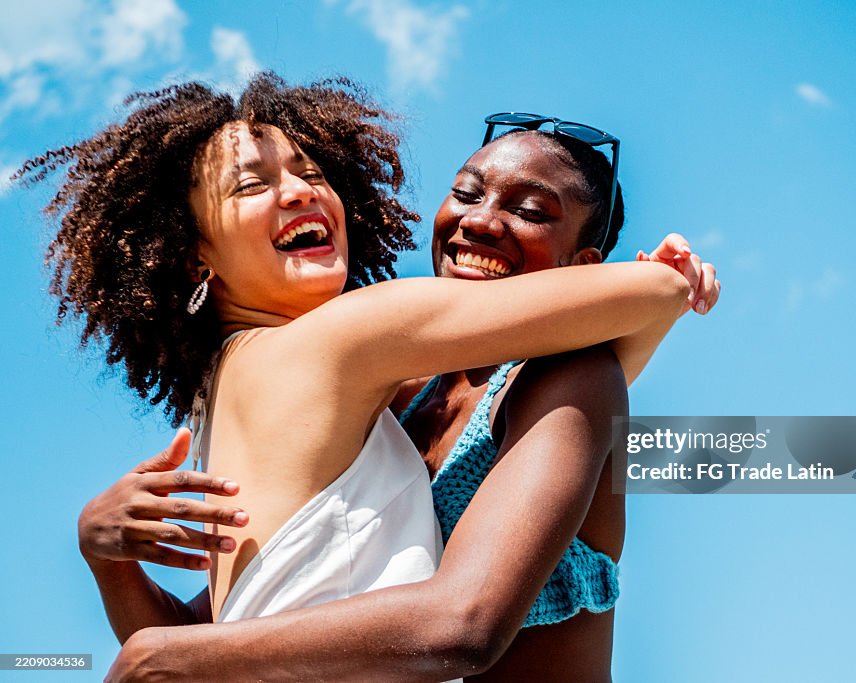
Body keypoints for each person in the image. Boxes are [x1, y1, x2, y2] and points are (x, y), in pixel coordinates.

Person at [76, 99, 718, 681]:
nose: (482, 223)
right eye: (465, 194)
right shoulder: (386, 396)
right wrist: (115, 573)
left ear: (584, 271)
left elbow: (461, 624)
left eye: (527, 212)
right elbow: (230, 637)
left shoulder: (568, 376)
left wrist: (157, 652)